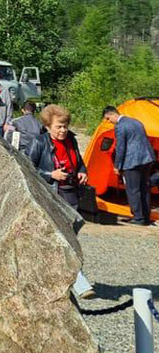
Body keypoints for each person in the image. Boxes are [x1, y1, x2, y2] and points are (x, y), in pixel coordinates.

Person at [27, 105, 96, 298]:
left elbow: (80, 162)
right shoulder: (38, 142)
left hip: (72, 196)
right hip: (52, 197)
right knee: (63, 240)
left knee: (68, 240)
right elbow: (27, 169)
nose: (63, 130)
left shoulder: (72, 141)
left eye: (65, 126)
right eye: (59, 126)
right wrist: (51, 174)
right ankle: (80, 284)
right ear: (48, 126)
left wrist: (83, 171)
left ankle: (55, 277)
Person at [104, 105, 157, 226]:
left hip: (132, 162)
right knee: (144, 188)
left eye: (108, 119)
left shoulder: (120, 126)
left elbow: (120, 147)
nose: (109, 122)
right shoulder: (136, 121)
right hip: (147, 159)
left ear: (113, 114)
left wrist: (117, 165)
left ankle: (138, 218)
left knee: (133, 190)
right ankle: (146, 217)